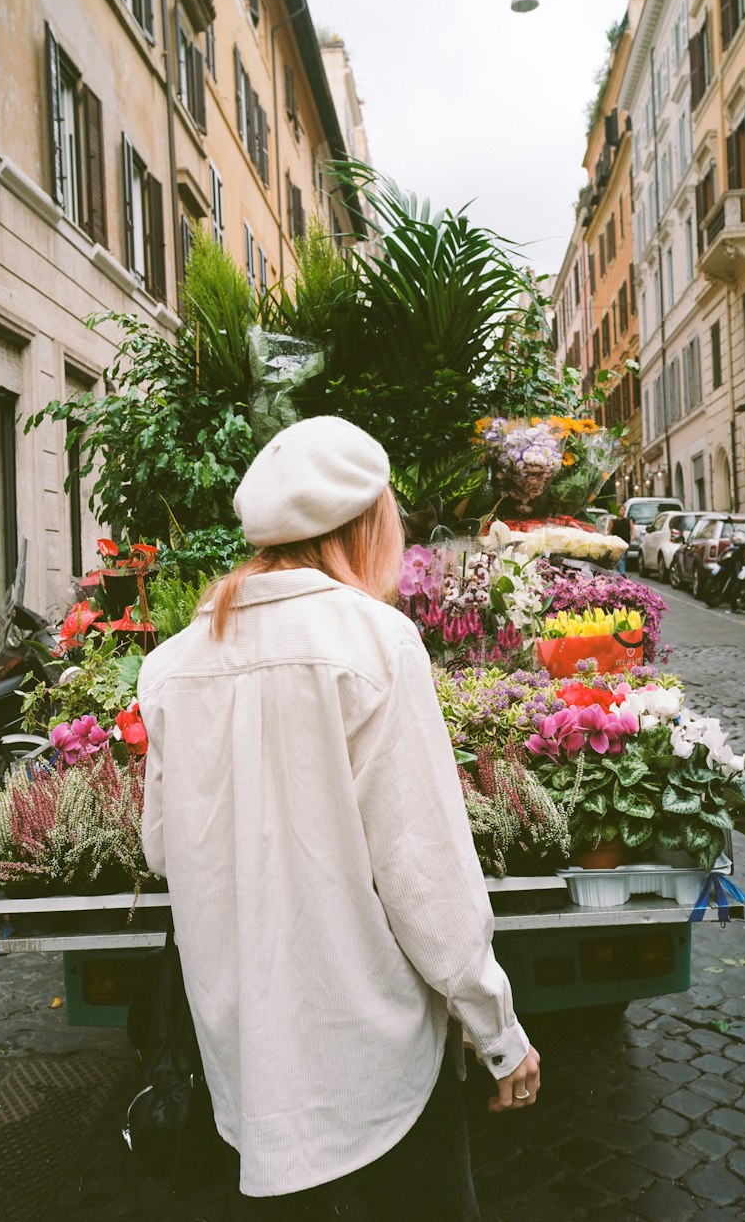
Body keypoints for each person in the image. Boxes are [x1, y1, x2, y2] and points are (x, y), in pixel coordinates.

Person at [138, 416, 539, 1221]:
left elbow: (160, 848)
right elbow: (424, 871)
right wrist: (499, 1031)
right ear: (365, 525)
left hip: (249, 1071)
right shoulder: (377, 643)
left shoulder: (172, 663)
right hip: (375, 1068)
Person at [609, 505, 634, 574]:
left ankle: (620, 572)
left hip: (626, 541)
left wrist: (633, 536)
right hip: (617, 542)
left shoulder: (628, 520)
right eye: (621, 510)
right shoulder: (613, 521)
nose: (623, 512)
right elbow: (609, 531)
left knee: (624, 557)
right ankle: (622, 572)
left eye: (624, 510)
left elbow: (632, 529)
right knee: (621, 557)